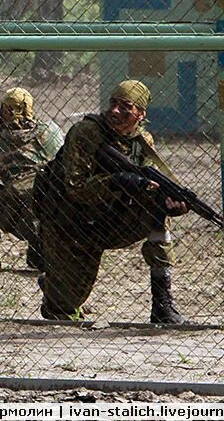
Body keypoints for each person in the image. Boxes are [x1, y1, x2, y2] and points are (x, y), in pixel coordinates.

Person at [35, 80, 189, 324]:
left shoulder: (142, 141)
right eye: (113, 104)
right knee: (61, 310)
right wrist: (116, 181)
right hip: (69, 222)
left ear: (140, 114)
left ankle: (162, 303)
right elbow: (75, 189)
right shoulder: (86, 132)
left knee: (157, 207)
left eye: (126, 107)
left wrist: (170, 202)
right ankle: (53, 283)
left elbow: (148, 184)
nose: (115, 111)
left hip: (108, 219)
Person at [0, 87, 63, 273]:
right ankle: (40, 249)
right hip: (57, 217)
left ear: (6, 111)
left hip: (22, 221)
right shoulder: (52, 131)